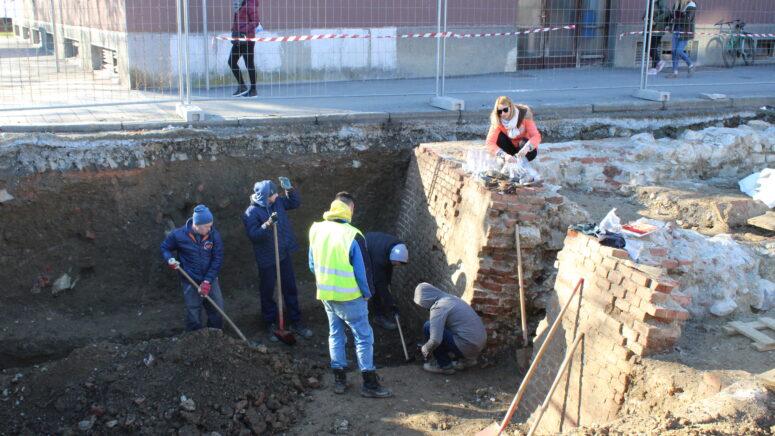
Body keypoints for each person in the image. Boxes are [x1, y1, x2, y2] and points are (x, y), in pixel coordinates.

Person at [309, 192, 392, 398]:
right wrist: (368, 294)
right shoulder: (353, 235)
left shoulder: (316, 229)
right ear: (350, 209)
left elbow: (312, 264)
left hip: (326, 294)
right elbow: (363, 271)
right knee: (363, 337)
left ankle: (339, 380)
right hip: (350, 298)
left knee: (335, 334)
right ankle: (369, 384)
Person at [243, 179, 312, 342]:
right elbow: (253, 236)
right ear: (266, 196)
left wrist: (289, 189)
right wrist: (267, 225)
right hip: (267, 258)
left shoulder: (278, 203)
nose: (277, 195)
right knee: (267, 291)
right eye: (274, 194)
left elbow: (294, 203)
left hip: (283, 253)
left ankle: (295, 322)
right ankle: (270, 324)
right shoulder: (251, 212)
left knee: (290, 287)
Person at [161, 205, 225, 331]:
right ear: (197, 225)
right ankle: (195, 340)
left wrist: (207, 281)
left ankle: (216, 337)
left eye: (210, 225)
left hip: (210, 279)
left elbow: (217, 259)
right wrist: (169, 259)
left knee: (217, 310)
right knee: (194, 313)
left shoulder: (213, 235)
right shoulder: (178, 235)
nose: (209, 228)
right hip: (190, 280)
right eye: (206, 226)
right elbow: (165, 247)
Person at [414, 283, 487, 375]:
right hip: (479, 344)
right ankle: (466, 360)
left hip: (467, 346)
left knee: (428, 326)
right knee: (442, 327)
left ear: (426, 301)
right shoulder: (451, 298)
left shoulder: (438, 307)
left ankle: (444, 366)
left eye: (423, 305)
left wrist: (425, 349)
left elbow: (435, 340)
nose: (425, 308)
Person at [485, 96, 542, 184]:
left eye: (505, 110)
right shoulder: (498, 120)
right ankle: (509, 168)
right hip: (509, 152)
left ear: (511, 108)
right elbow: (489, 143)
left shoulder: (524, 116)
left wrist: (527, 147)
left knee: (524, 142)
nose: (502, 114)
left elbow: (536, 136)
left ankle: (524, 172)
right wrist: (504, 155)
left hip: (525, 151)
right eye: (499, 111)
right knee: (500, 137)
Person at [365, 232, 408, 330]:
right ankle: (378, 316)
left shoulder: (399, 247)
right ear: (391, 257)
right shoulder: (379, 259)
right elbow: (380, 283)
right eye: (395, 264)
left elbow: (389, 267)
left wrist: (388, 282)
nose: (396, 266)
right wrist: (391, 304)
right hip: (366, 252)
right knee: (375, 286)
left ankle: (384, 309)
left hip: (376, 246)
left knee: (383, 284)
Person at [229, 0, 260, 97]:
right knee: (231, 62)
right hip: (238, 39)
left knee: (249, 64)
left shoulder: (250, 4)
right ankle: (242, 86)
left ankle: (253, 90)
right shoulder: (239, 4)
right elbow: (237, 20)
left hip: (247, 39)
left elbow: (255, 22)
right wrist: (234, 30)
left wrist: (243, 30)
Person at [668, 0, 696, 78]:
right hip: (676, 30)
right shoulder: (676, 4)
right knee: (674, 51)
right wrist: (670, 26)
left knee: (678, 51)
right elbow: (671, 16)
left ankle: (690, 64)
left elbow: (687, 20)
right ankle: (675, 72)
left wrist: (675, 20)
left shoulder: (691, 5)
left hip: (685, 31)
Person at [645, 0, 670, 75]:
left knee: (652, 47)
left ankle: (655, 67)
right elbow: (649, 12)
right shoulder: (652, 2)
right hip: (650, 28)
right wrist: (645, 17)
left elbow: (666, 13)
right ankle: (658, 63)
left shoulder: (662, 1)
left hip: (657, 28)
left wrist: (655, 20)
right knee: (648, 48)